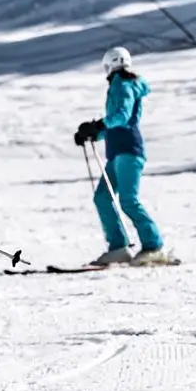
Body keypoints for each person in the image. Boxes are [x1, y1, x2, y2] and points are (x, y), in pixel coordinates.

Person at [74, 46, 172, 266]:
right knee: (102, 197)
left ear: (108, 65)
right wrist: (92, 133)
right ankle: (118, 247)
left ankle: (153, 246)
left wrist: (98, 124)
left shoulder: (123, 84)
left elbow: (121, 116)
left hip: (128, 150)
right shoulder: (121, 84)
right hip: (117, 152)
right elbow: (116, 123)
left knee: (128, 200)